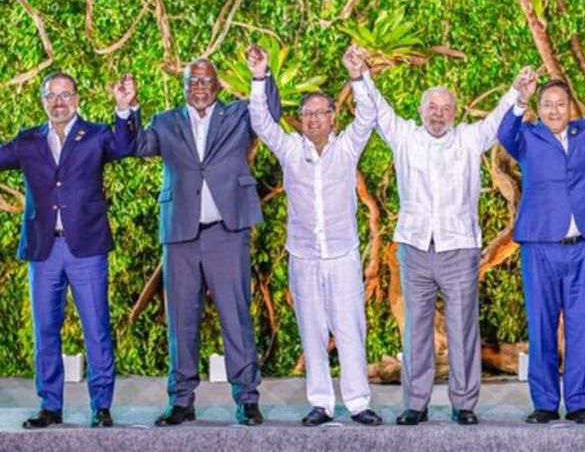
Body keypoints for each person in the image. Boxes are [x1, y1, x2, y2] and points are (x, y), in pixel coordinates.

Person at [365, 65, 533, 426]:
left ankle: (464, 403)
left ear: (454, 113)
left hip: (459, 249)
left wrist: (518, 93)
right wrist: (360, 74)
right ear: (421, 110)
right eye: (432, 107)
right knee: (416, 330)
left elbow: (497, 120)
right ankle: (415, 403)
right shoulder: (404, 136)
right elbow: (378, 108)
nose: (438, 114)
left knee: (462, 329)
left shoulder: (470, 139)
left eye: (445, 108)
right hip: (415, 247)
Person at [129, 52, 280, 426]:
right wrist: (127, 108)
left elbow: (270, 114)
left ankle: (246, 397)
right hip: (180, 234)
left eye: (205, 81)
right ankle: (181, 401)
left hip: (226, 232)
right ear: (183, 87)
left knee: (236, 316)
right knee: (181, 320)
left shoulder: (239, 115)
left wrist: (260, 76)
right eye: (192, 81)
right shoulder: (164, 121)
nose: (199, 87)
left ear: (217, 85)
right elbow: (138, 146)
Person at [247, 44, 381, 426]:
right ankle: (321, 402)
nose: (313, 120)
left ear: (332, 117)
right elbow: (261, 122)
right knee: (312, 329)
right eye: (306, 114)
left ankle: (357, 402)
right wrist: (259, 78)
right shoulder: (290, 149)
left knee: (351, 328)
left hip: (342, 254)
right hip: (303, 255)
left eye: (320, 113)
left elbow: (368, 115)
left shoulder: (347, 147)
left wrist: (357, 76)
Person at [498, 66, 585, 425]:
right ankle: (544, 402)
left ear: (571, 107)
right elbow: (503, 132)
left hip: (581, 246)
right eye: (547, 104)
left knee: (580, 326)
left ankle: (578, 402)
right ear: (539, 108)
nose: (554, 110)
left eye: (560, 104)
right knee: (542, 324)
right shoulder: (526, 136)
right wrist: (520, 97)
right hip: (540, 245)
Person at [0, 71, 138, 429]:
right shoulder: (28, 140)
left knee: (96, 327)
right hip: (44, 250)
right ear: (43, 101)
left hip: (86, 248)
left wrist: (124, 109)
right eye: (51, 96)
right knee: (45, 329)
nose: (58, 102)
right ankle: (50, 405)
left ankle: (101, 406)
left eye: (65, 95)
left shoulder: (95, 135)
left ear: (77, 98)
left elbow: (125, 146)